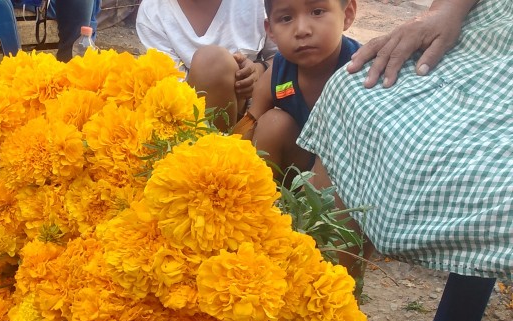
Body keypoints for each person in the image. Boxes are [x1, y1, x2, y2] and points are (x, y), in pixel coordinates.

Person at [297, 0, 512, 280]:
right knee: (351, 90)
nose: (302, 30)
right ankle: (318, 292)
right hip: (494, 39)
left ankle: (328, 301)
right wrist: (444, 10)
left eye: (316, 12)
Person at [246, 0, 358, 174]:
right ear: (270, 30)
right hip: (299, 173)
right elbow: (245, 132)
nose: (302, 30)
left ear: (347, 14)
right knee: (272, 125)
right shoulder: (277, 74)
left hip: (349, 178)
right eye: (286, 18)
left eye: (317, 12)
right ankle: (263, 197)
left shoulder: (363, 72)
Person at [136, 0, 276, 130]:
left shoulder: (256, 4)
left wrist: (260, 70)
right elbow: (171, 96)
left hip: (255, 114)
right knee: (211, 62)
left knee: (279, 123)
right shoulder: (153, 12)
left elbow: (283, 57)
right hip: (187, 126)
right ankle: (213, 152)